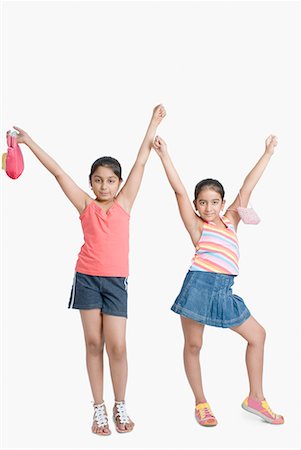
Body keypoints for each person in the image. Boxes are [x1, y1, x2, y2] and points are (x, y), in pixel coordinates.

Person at [10, 104, 166, 436]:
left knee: (118, 346)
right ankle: (98, 408)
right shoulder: (85, 204)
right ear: (91, 183)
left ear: (119, 183)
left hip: (115, 282)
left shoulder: (125, 203)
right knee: (93, 343)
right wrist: (30, 142)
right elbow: (57, 172)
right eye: (98, 180)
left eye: (111, 180)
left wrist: (152, 123)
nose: (105, 186)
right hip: (87, 279)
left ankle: (120, 403)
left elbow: (140, 161)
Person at [152, 133, 284, 427]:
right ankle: (201, 403)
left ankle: (255, 398)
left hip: (224, 291)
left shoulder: (231, 220)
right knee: (194, 345)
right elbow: (179, 192)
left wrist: (268, 153)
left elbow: (248, 185)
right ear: (197, 206)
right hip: (198, 286)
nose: (209, 208)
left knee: (258, 336)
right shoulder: (196, 226)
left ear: (223, 202)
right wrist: (164, 156)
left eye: (214, 202)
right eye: (203, 203)